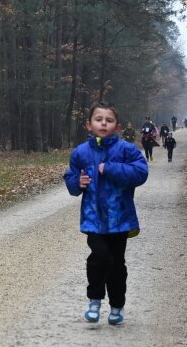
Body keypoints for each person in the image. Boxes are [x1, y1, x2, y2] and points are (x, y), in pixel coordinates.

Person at [63, 101, 149, 325]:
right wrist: (77, 183)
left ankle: (117, 305)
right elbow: (70, 179)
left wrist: (109, 168)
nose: (103, 123)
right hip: (94, 220)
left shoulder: (126, 150)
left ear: (117, 127)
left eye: (109, 120)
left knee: (116, 263)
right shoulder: (80, 152)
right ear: (89, 125)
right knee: (99, 258)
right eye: (98, 119)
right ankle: (94, 300)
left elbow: (140, 173)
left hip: (120, 219)